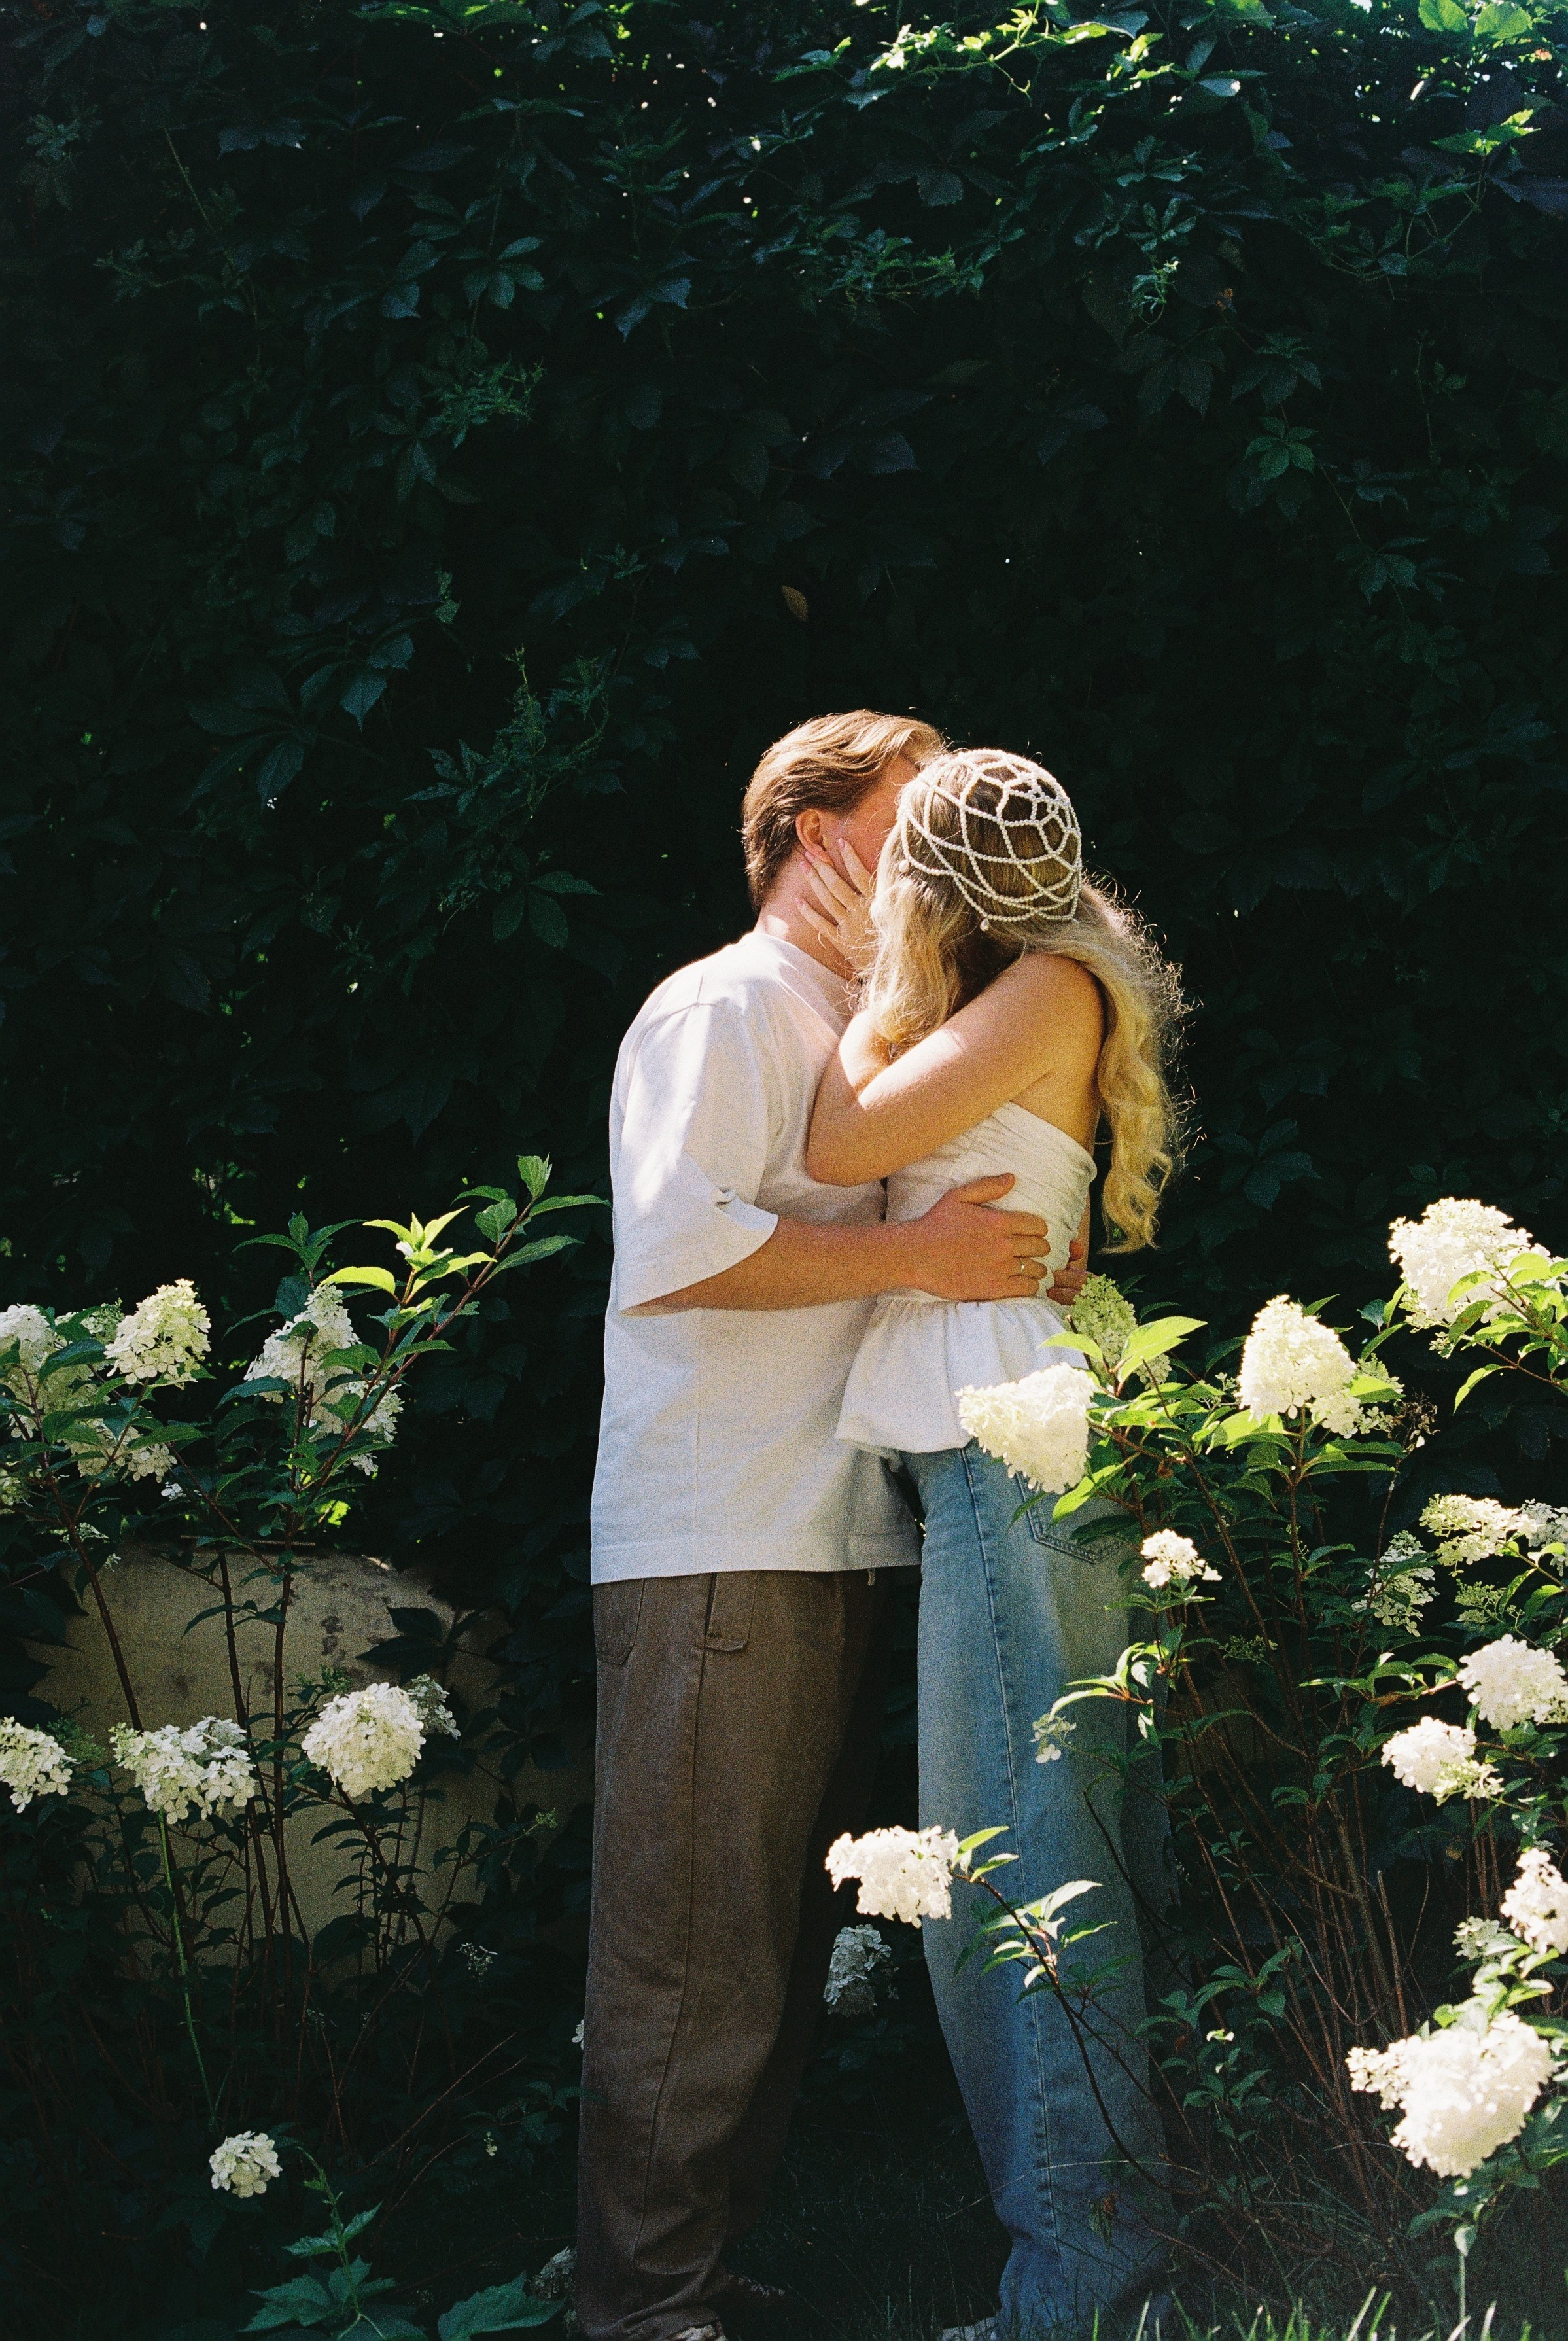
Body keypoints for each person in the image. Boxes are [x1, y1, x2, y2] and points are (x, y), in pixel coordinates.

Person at [578, 714, 1091, 2341]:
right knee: (692, 1941)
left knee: (769, 1937)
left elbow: (945, 1207)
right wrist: (917, 1258)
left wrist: (1024, 1240)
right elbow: (672, 1248)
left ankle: (693, 2273)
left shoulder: (868, 1013)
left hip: (841, 1521)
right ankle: (640, 2303)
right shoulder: (724, 1004)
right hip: (719, 1527)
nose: (937, 833)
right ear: (815, 834)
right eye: (907, 803)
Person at [807, 747, 1184, 2341]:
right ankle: (1100, 2268)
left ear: (930, 881)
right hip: (1001, 1438)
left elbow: (839, 1141)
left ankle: (1084, 2289)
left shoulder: (1039, 989)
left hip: (1003, 1446)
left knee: (1019, 1856)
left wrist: (872, 981)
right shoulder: (1039, 985)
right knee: (1038, 1835)